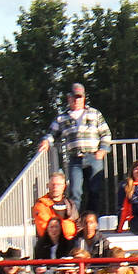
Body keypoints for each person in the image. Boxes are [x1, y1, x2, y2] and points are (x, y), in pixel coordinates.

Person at [36, 83, 112, 217]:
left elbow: (106, 133)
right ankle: (74, 221)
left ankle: (91, 221)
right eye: (74, 97)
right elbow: (52, 134)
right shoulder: (62, 118)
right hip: (75, 159)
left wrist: (103, 150)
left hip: (93, 157)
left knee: (94, 190)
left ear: (84, 98)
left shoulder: (94, 113)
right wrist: (46, 141)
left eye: (79, 97)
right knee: (75, 192)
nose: (77, 100)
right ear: (69, 98)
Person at [32, 173, 80, 259]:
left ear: (64, 186)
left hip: (70, 246)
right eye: (53, 184)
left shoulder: (70, 203)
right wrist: (67, 226)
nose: (55, 187)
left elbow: (77, 223)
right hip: (48, 248)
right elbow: (45, 228)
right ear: (48, 185)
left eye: (58, 184)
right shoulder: (41, 205)